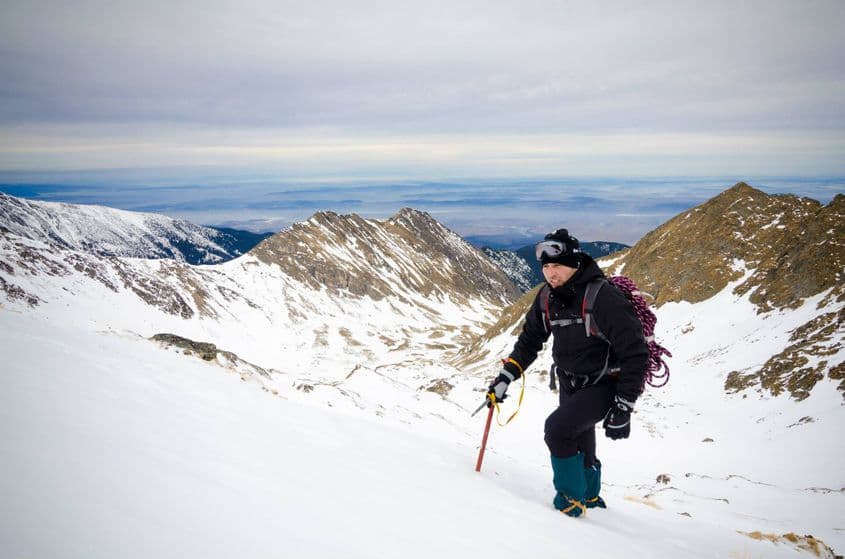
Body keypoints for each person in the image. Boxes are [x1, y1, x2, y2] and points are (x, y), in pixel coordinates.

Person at [487, 228, 649, 517]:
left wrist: (624, 405)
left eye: (557, 265)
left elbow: (635, 352)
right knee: (579, 437)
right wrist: (506, 376)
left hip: (604, 383)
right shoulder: (546, 297)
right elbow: (530, 340)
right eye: (546, 266)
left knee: (558, 430)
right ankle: (590, 498)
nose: (551, 273)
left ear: (574, 263)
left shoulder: (603, 297)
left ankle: (569, 504)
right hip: (569, 381)